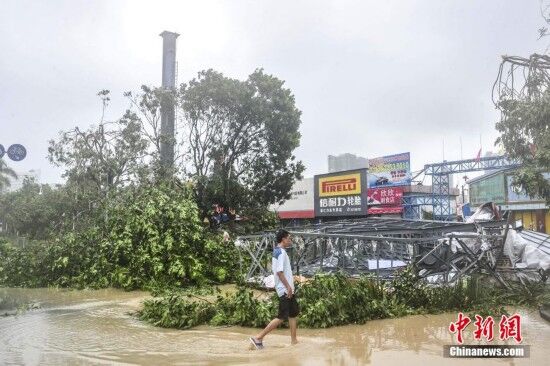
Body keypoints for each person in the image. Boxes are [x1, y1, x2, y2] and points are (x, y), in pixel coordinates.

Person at [249, 229, 299, 349]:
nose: (290, 240)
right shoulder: (281, 252)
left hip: (286, 289)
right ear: (283, 239)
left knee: (293, 314)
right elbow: (280, 272)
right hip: (285, 290)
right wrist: (288, 287)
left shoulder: (277, 251)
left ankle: (294, 341)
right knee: (281, 317)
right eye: (289, 238)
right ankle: (258, 338)